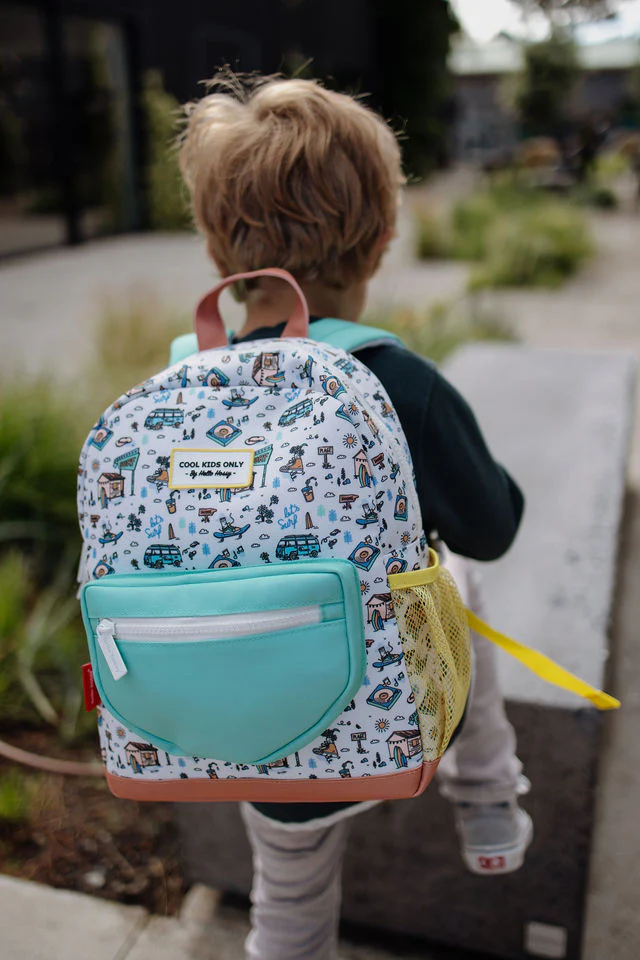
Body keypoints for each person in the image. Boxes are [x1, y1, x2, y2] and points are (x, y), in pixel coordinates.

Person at [179, 74, 532, 960]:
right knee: (458, 575)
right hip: (382, 725)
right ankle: (488, 793)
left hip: (237, 731)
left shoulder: (180, 382)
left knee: (286, 916)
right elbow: (492, 523)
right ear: (379, 242)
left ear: (219, 251)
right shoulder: (396, 379)